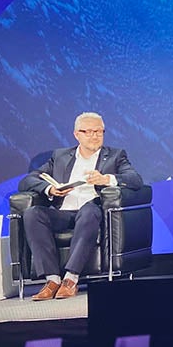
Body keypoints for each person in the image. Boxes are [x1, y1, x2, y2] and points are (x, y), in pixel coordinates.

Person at [19, 112, 143, 300]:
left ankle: (71, 279)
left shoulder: (115, 156)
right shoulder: (60, 156)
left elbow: (135, 180)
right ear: (76, 134)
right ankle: (52, 280)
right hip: (63, 212)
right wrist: (50, 189)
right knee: (32, 214)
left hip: (92, 211)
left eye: (99, 131)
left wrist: (106, 179)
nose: (95, 136)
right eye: (89, 132)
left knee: (89, 211)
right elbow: (28, 180)